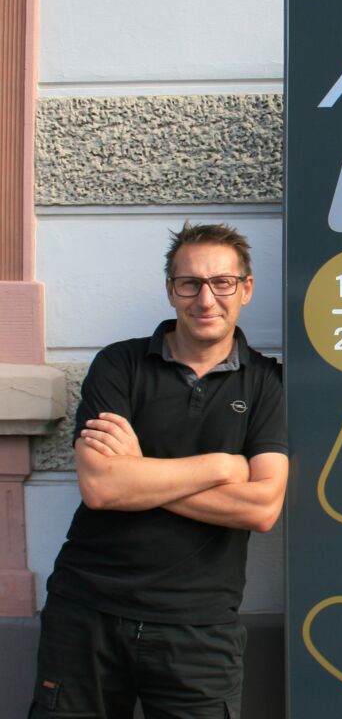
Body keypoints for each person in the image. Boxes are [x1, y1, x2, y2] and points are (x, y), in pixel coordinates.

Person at [29, 222, 289, 718]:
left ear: (246, 288)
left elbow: (261, 507)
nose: (206, 299)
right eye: (190, 283)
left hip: (199, 627)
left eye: (222, 282)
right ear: (171, 290)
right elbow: (101, 487)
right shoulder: (119, 365)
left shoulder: (266, 384)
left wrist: (138, 472)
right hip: (87, 611)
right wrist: (223, 465)